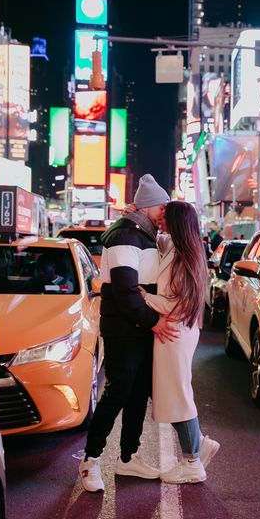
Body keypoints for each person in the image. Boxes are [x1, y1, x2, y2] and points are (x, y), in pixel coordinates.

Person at [79, 174, 179, 493]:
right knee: (118, 392)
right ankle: (91, 460)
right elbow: (124, 290)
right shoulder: (125, 234)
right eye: (161, 206)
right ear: (148, 207)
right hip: (124, 329)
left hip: (137, 327)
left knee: (136, 393)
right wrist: (154, 321)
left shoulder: (145, 234)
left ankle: (128, 457)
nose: (164, 211)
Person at [140, 201, 220, 484]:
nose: (160, 219)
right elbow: (150, 233)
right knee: (171, 391)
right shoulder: (178, 246)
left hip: (175, 330)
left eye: (166, 215)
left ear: (176, 222)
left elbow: (178, 305)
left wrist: (144, 297)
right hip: (176, 330)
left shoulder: (186, 255)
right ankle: (198, 445)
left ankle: (192, 462)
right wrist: (138, 212)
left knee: (178, 394)